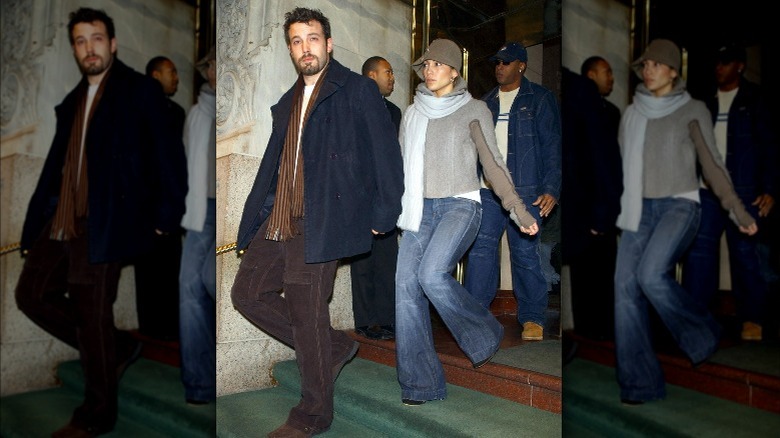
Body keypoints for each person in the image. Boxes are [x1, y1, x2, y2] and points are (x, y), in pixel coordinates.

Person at [229, 7, 404, 437]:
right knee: (247, 293)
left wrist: (385, 212)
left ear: (327, 44)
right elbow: (273, 166)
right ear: (291, 49)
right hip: (280, 216)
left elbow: (385, 156)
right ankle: (336, 345)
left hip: (322, 216)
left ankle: (312, 414)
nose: (304, 48)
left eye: (312, 38)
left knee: (308, 316)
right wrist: (253, 221)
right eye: (296, 41)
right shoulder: (285, 102)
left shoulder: (358, 90)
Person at [14, 7, 187, 437]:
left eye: (96, 38)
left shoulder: (139, 91)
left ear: (112, 43)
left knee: (92, 317)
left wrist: (166, 216)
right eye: (79, 40)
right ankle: (119, 345)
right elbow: (55, 167)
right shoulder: (72, 101)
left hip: (106, 222)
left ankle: (97, 413)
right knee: (31, 294)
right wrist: (31, 227)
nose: (88, 48)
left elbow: (168, 157)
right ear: (75, 48)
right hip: (61, 219)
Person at [395, 38, 538, 406]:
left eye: (437, 65)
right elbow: (398, 169)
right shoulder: (413, 113)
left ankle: (484, 332)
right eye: (425, 66)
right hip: (419, 211)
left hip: (460, 205)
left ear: (455, 70)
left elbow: (492, 164)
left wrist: (519, 210)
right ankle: (420, 384)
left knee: (431, 274)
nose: (429, 71)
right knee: (406, 286)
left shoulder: (473, 109)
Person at [614, 39, 757, 405]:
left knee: (650, 275)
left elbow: (712, 165)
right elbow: (622, 170)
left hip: (680, 205)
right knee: (624, 288)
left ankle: (703, 332)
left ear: (674, 70)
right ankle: (639, 383)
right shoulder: (632, 113)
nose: (648, 70)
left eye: (656, 64)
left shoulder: (693, 109)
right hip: (638, 210)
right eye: (644, 65)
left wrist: (739, 212)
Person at [463, 41, 561, 341]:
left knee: (525, 253)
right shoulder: (484, 103)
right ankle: (474, 316)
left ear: (521, 65)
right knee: (480, 252)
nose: (499, 67)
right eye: (497, 62)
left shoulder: (540, 99)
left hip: (527, 192)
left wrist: (551, 188)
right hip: (487, 191)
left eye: (506, 62)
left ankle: (533, 317)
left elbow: (553, 147)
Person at [682, 43, 777, 342]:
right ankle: (695, 320)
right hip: (706, 192)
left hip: (744, 192)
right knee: (699, 256)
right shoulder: (704, 102)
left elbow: (771, 147)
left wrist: (770, 189)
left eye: (725, 63)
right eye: (716, 63)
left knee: (746, 255)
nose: (718, 68)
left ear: (739, 66)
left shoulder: (755, 99)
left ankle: (753, 318)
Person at [562, 57, 623, 342]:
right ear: (590, 74)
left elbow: (609, 159)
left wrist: (607, 207)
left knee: (603, 272)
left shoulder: (612, 111)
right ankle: (589, 335)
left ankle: (604, 335)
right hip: (584, 205)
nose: (611, 77)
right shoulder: (579, 94)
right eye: (607, 71)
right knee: (584, 277)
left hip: (600, 204)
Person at [132, 55, 187, 342]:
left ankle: (168, 328)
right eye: (171, 71)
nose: (176, 77)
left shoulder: (177, 112)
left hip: (170, 202)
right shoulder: (136, 108)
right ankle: (149, 329)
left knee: (170, 269)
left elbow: (175, 161)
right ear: (155, 75)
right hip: (145, 205)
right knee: (147, 271)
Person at [347, 56, 402, 341]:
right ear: (371, 76)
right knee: (362, 262)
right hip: (360, 197)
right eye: (388, 72)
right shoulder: (351, 106)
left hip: (386, 196)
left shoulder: (395, 112)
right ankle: (365, 321)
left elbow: (394, 158)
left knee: (387, 261)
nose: (393, 78)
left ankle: (388, 319)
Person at [178, 45, 217, 405]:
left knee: (210, 279)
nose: (213, 71)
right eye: (209, 65)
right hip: (199, 209)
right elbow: (185, 166)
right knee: (188, 289)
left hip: (229, 206)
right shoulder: (196, 114)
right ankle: (199, 384)